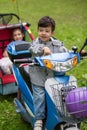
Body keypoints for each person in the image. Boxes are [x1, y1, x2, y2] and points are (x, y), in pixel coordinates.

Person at [29, 16, 68, 130]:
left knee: (60, 94)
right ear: (37, 31)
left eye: (47, 31)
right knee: (39, 97)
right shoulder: (35, 43)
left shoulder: (57, 44)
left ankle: (64, 114)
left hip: (53, 76)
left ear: (52, 32)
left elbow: (65, 51)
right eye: (41, 30)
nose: (43, 33)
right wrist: (43, 49)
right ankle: (39, 119)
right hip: (38, 77)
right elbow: (33, 49)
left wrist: (77, 53)